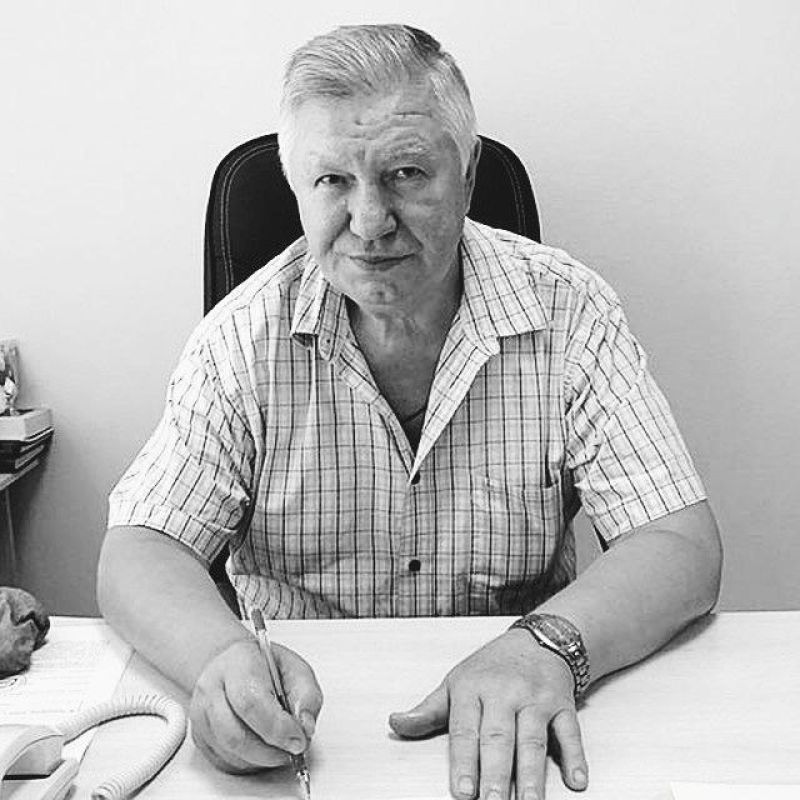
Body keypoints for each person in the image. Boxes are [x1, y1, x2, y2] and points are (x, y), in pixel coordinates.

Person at [97, 23, 722, 800]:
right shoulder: (240, 339)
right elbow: (140, 548)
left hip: (519, 714)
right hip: (307, 736)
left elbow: (678, 544)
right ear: (297, 189)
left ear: (467, 174)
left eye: (404, 173)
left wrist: (548, 646)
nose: (368, 220)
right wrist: (218, 660)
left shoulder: (569, 311)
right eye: (332, 180)